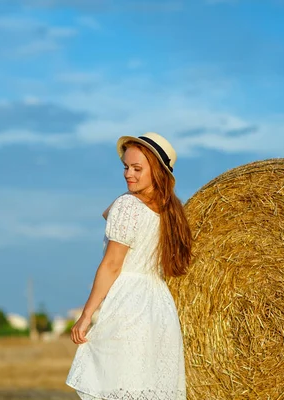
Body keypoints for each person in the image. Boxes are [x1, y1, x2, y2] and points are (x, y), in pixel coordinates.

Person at [65, 132, 192, 400]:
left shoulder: (128, 206)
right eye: (125, 167)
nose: (127, 174)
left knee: (116, 387)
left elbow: (111, 265)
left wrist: (87, 315)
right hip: (159, 311)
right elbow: (108, 213)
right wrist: (132, 192)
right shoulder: (171, 213)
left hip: (128, 307)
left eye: (137, 168)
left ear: (156, 172)